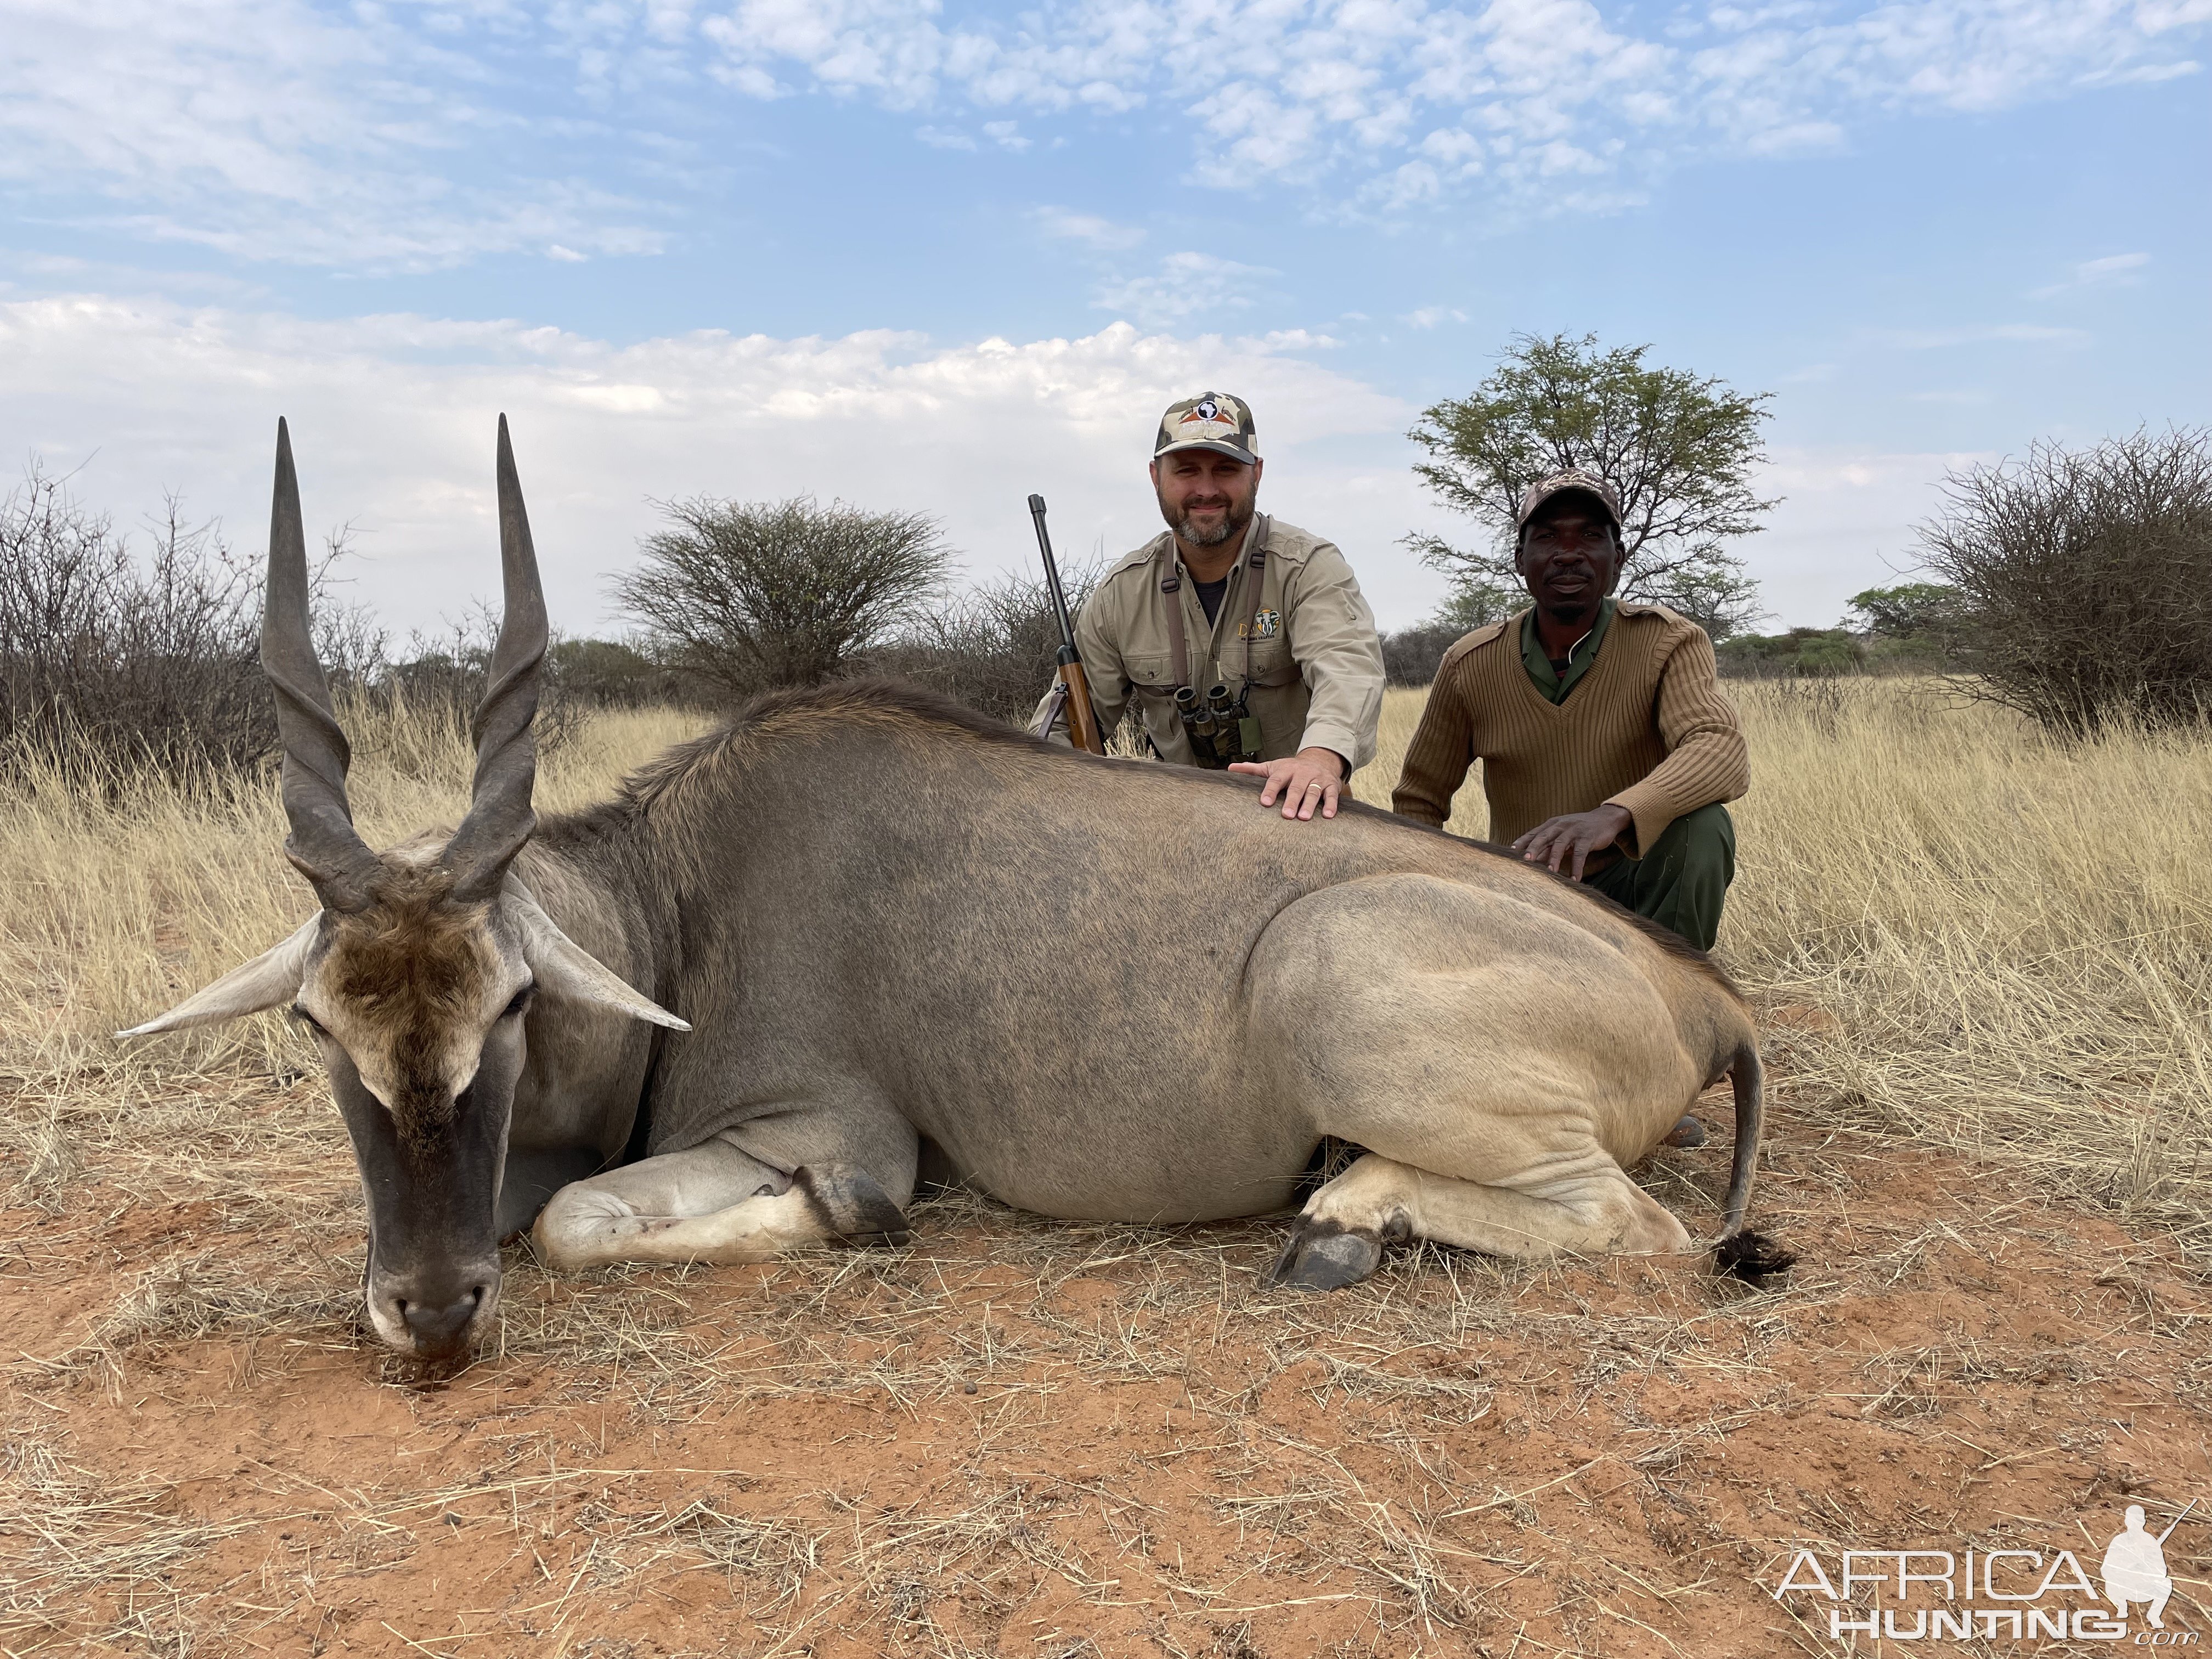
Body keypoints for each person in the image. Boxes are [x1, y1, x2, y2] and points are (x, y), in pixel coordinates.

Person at [1391, 468, 1748, 951]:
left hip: (1630, 887)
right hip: (1524, 893)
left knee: (1702, 826)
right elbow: (1419, 801)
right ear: (1521, 559)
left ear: (1617, 558)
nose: (1568, 554)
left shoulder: (1668, 641)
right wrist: (1446, 900)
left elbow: (1719, 747)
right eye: (1547, 537)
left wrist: (1613, 815)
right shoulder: (1470, 662)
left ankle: (1674, 997)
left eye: (1590, 536)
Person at [1034, 392, 1384, 821]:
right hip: (1177, 827)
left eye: (1226, 470)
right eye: (1186, 471)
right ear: (1155, 476)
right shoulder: (1120, 592)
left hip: (1297, 815)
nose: (1206, 490)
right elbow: (1061, 730)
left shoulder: (1309, 567)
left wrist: (1319, 761)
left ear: (1256, 474)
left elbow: (1348, 670)